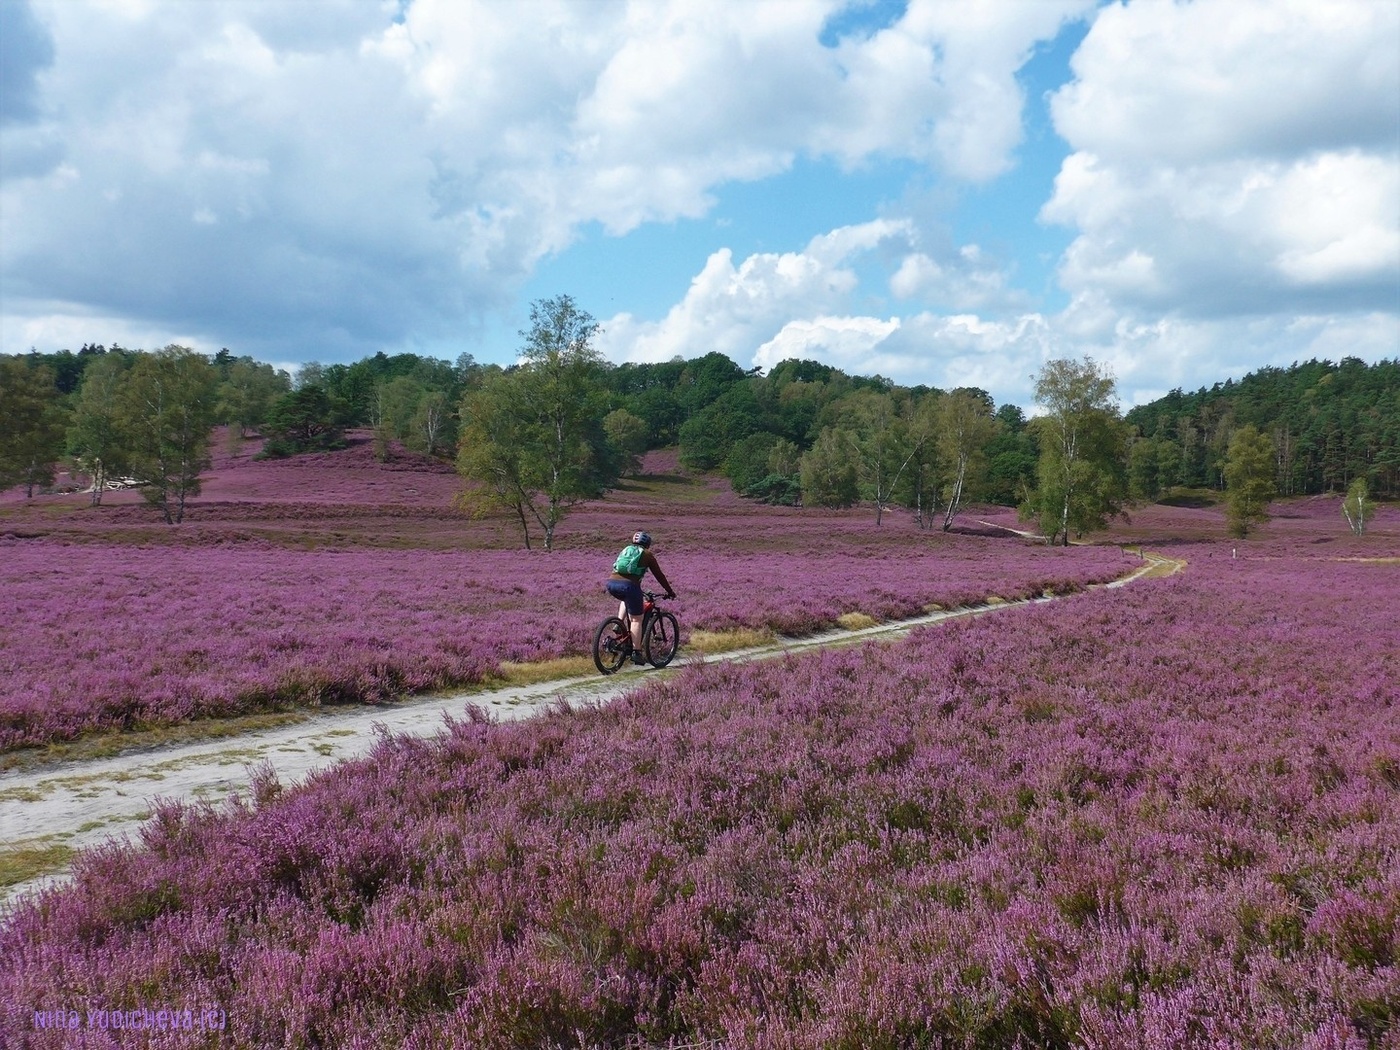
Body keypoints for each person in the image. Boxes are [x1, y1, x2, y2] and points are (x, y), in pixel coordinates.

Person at [605, 530, 676, 664]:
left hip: (611, 583)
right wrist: (670, 591)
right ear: (647, 543)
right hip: (629, 586)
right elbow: (659, 575)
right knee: (636, 619)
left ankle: (619, 623)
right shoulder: (647, 554)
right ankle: (636, 652)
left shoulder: (626, 550)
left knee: (625, 599)